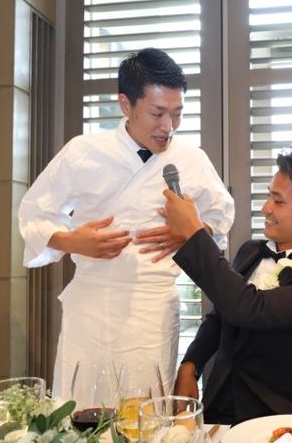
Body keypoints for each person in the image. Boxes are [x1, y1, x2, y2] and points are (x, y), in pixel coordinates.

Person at [18, 48, 235, 397]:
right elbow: (34, 214)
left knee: (145, 410)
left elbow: (220, 216)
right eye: (157, 113)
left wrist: (190, 233)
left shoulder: (191, 159)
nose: (168, 127)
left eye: (177, 114)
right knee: (81, 405)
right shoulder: (83, 151)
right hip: (90, 304)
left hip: (152, 308)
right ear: (125, 104)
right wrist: (74, 242)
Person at [166, 149, 292, 424]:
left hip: (281, 419)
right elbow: (221, 316)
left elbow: (248, 308)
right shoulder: (250, 251)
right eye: (268, 196)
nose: (266, 208)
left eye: (278, 201)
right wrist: (190, 365)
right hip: (220, 407)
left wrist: (194, 233)